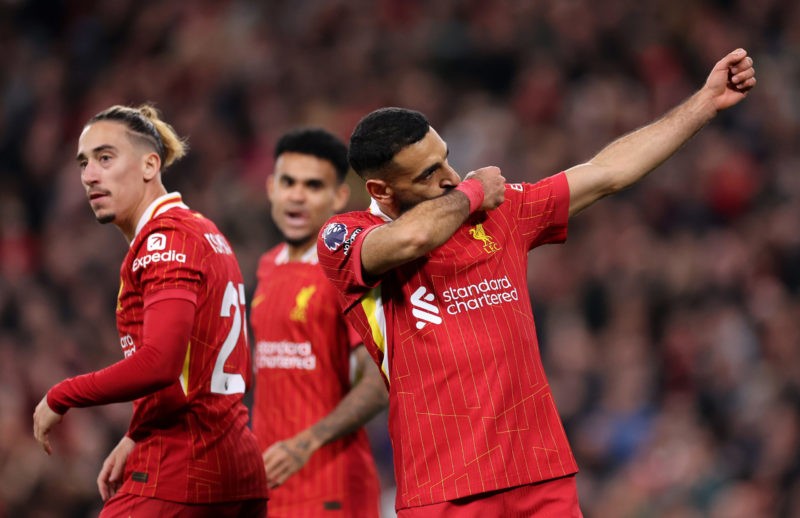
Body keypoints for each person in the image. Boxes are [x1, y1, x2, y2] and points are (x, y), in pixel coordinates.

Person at [316, 49, 757, 516]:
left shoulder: (501, 215)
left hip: (541, 471)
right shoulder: (345, 236)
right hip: (445, 485)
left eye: (446, 159)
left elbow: (608, 172)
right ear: (381, 190)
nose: (449, 176)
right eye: (429, 175)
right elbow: (413, 236)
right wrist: (472, 191)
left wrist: (705, 102)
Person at [32, 104, 269, 517]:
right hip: (237, 467)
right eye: (84, 163)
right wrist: (136, 434)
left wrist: (61, 395)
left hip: (183, 469)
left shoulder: (163, 240)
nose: (89, 175)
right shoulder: (202, 230)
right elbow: (194, 374)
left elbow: (160, 362)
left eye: (106, 158)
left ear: (149, 164)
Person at [250, 128, 388, 517]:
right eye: (288, 182)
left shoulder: (347, 271)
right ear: (271, 188)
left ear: (338, 197)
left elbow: (378, 386)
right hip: (272, 489)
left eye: (313, 185)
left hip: (332, 490)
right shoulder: (266, 266)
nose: (297, 195)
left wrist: (306, 443)